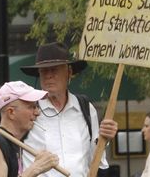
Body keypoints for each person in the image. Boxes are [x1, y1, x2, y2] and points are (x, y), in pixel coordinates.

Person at [20, 42, 118, 176]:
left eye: (54, 70)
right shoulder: (27, 110)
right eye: (43, 71)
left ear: (69, 72)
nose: (48, 75)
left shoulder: (86, 108)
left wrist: (104, 138)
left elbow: (96, 160)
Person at [0, 81, 60, 177]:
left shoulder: (11, 143)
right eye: (32, 107)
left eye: (37, 106)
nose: (37, 112)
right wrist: (35, 168)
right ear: (11, 112)